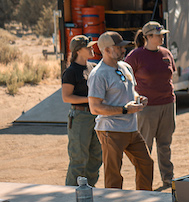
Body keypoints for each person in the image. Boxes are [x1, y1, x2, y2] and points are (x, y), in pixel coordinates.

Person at [87, 32, 154, 191]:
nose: (123, 50)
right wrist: (124, 110)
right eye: (119, 47)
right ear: (106, 50)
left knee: (146, 163)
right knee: (113, 174)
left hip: (130, 128)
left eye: (123, 46)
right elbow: (94, 107)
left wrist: (139, 98)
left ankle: (145, 201)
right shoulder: (99, 74)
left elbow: (131, 91)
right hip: (111, 130)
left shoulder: (126, 67)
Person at [125, 21, 177, 190]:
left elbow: (171, 76)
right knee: (145, 146)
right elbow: (125, 78)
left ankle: (168, 180)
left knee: (165, 144)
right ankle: (144, 182)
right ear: (147, 37)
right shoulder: (136, 55)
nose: (162, 37)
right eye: (158, 35)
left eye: (162, 34)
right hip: (147, 108)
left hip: (167, 104)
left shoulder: (166, 53)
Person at [61, 36, 101, 187]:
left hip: (96, 114)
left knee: (96, 158)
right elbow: (66, 97)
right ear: (78, 51)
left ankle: (90, 191)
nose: (92, 49)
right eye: (88, 47)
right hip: (80, 116)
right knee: (79, 159)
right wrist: (90, 99)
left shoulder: (93, 67)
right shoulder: (71, 72)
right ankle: (71, 194)